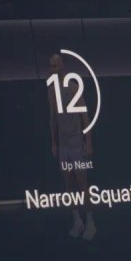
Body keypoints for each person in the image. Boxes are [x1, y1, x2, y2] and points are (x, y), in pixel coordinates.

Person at [48, 53, 96, 240]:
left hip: (76, 142)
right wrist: (53, 142)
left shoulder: (73, 86)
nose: (53, 69)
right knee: (68, 185)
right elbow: (52, 117)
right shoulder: (51, 90)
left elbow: (85, 116)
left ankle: (90, 222)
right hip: (63, 144)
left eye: (55, 65)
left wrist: (88, 142)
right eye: (51, 66)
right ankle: (77, 221)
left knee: (83, 184)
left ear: (62, 66)